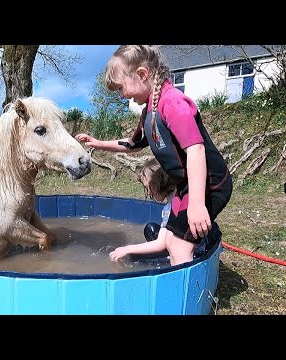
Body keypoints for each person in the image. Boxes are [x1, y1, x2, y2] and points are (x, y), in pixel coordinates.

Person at [76, 45, 233, 266]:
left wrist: (197, 204)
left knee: (180, 244)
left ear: (142, 74)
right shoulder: (150, 111)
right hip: (185, 185)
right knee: (169, 238)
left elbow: (196, 149)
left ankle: (184, 296)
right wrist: (98, 143)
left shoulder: (172, 102)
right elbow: (132, 144)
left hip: (209, 184)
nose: (122, 95)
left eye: (121, 88)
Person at [109, 158, 177, 262]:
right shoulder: (178, 194)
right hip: (187, 245)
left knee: (132, 257)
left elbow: (161, 244)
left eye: (148, 188)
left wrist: (127, 249)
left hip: (189, 255)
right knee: (150, 228)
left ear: (157, 184)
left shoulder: (172, 206)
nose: (149, 193)